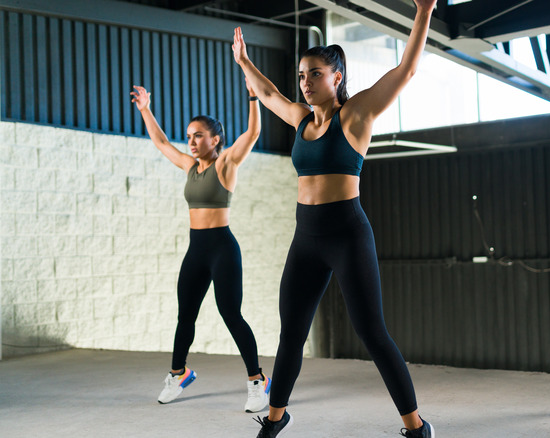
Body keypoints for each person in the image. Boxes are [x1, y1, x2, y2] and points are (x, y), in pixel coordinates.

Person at [231, 0, 437, 436]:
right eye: (302, 75)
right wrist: (245, 61)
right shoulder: (301, 119)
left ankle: (416, 426)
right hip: (306, 238)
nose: (306, 82)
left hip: (347, 234)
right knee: (291, 334)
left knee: (373, 333)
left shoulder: (357, 113)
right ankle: (274, 418)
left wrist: (424, 10)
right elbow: (269, 95)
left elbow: (406, 71)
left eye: (316, 74)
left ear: (337, 77)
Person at [130, 79, 271, 413]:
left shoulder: (226, 165)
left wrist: (252, 94)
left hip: (223, 248)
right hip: (197, 250)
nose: (191, 142)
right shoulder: (189, 166)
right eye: (190, 136)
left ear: (215, 139)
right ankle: (179, 373)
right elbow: (161, 141)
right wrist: (146, 110)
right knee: (185, 316)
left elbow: (251, 134)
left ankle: (258, 381)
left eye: (199, 136)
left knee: (230, 313)